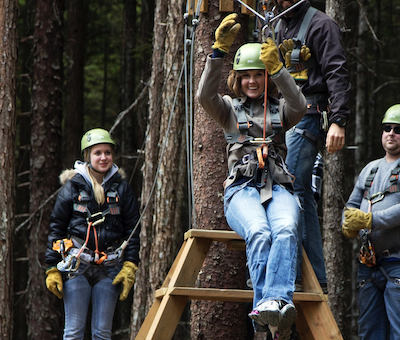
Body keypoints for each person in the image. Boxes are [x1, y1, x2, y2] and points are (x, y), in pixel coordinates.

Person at [197, 13, 306, 338]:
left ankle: (274, 306)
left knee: (286, 229)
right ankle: (271, 312)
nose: (253, 81)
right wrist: (217, 54)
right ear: (238, 79)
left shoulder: (279, 111)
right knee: (259, 232)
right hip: (242, 190)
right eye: (246, 76)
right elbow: (205, 96)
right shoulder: (229, 109)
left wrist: (280, 69)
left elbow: (299, 105)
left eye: (259, 75)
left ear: (266, 77)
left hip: (279, 188)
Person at [273, 0, 351, 292]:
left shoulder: (321, 25)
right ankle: (312, 274)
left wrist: (339, 120)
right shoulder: (278, 25)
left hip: (309, 115)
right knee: (293, 190)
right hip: (280, 118)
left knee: (290, 186)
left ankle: (300, 274)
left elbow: (337, 72)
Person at [45, 128, 141, 340]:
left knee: (102, 333)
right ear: (87, 156)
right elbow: (56, 227)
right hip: (76, 266)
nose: (103, 157)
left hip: (110, 268)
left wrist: (130, 265)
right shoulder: (72, 187)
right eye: (98, 153)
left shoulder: (122, 189)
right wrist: (52, 267)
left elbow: (133, 230)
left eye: (107, 152)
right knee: (73, 332)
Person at [342, 104, 400, 340]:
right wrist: (347, 223)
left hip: (397, 262)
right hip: (368, 264)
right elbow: (350, 205)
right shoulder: (370, 170)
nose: (392, 133)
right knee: (369, 332)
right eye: (387, 128)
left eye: (398, 129)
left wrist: (370, 219)